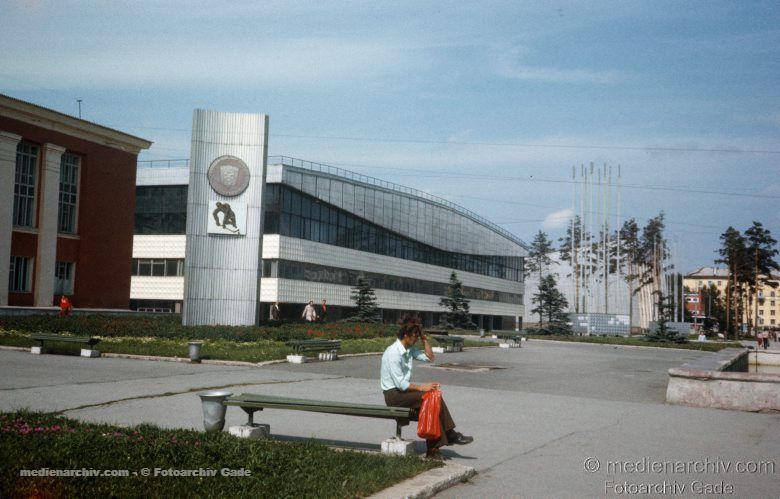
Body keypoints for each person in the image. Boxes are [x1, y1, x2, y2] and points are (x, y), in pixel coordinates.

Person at [380, 315, 473, 459]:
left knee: (433, 400)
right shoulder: (393, 352)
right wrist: (422, 388)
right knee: (431, 397)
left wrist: (425, 340)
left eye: (418, 335)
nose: (417, 338)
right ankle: (448, 436)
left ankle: (434, 449)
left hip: (403, 394)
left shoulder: (409, 350)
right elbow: (400, 384)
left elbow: (430, 357)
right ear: (406, 335)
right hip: (394, 396)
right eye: (415, 335)